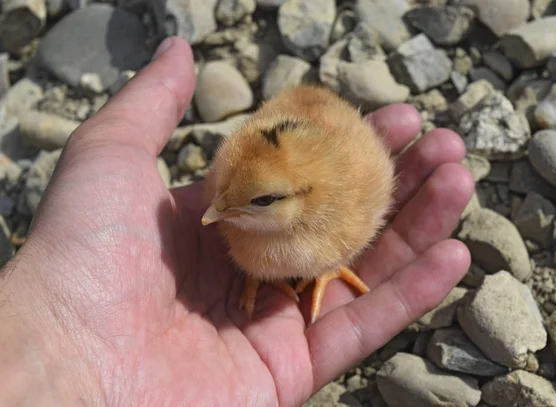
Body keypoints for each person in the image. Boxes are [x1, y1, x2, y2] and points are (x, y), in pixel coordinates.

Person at [0, 37, 474, 406]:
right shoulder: (240, 183)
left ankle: (321, 267)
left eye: (255, 202)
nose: (214, 212)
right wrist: (51, 320)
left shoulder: (341, 213)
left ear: (305, 202)